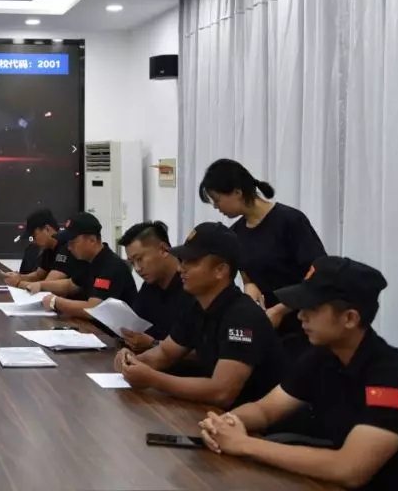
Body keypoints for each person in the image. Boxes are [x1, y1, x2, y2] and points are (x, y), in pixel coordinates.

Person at [200, 256, 398, 490]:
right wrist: (224, 425)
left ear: (350, 318)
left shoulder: (391, 376)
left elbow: (349, 468)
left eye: (312, 308)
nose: (300, 315)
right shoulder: (322, 356)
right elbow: (265, 410)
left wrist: (243, 444)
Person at [114, 222, 284, 409]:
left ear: (220, 270)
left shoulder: (243, 317)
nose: (181, 268)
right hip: (215, 414)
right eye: (182, 260)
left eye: (192, 261)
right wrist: (132, 361)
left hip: (251, 420)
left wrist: (153, 379)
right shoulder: (197, 306)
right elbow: (165, 353)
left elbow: (221, 392)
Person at [199, 159, 326, 357]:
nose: (216, 206)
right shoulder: (235, 233)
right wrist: (250, 286)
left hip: (302, 324)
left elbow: (318, 273)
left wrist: (280, 310)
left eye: (217, 199)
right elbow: (247, 274)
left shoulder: (290, 221)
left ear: (237, 192)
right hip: (266, 327)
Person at [38, 212, 137, 317]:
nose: (69, 248)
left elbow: (94, 309)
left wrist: (56, 302)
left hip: (116, 327)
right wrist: (40, 285)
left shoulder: (111, 266)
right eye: (67, 243)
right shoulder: (88, 261)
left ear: (92, 240)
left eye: (72, 242)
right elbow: (70, 285)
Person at [118, 220, 194, 353]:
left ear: (163, 250)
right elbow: (135, 326)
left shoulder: (192, 285)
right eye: (132, 262)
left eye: (139, 259)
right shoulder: (149, 286)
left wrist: (152, 344)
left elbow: (201, 352)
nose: (137, 268)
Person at [0, 209, 79, 290]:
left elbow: (48, 285)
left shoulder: (66, 247)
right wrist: (18, 277)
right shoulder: (48, 249)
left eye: (34, 236)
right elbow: (38, 275)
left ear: (47, 229)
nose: (33, 241)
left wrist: (18, 283)